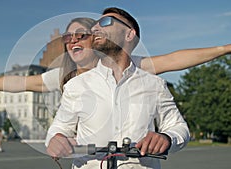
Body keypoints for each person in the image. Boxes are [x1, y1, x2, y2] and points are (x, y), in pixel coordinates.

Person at [45, 7, 190, 169]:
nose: (95, 28)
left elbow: (178, 127)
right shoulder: (75, 86)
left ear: (129, 34)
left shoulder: (155, 85)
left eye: (105, 22)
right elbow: (59, 128)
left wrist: (167, 138)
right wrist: (56, 139)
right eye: (94, 26)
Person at [0, 17, 231, 93]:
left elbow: (175, 59)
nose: (73, 40)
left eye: (81, 35)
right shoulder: (65, 77)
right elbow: (19, 83)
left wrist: (225, 48)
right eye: (68, 38)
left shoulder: (129, 67)